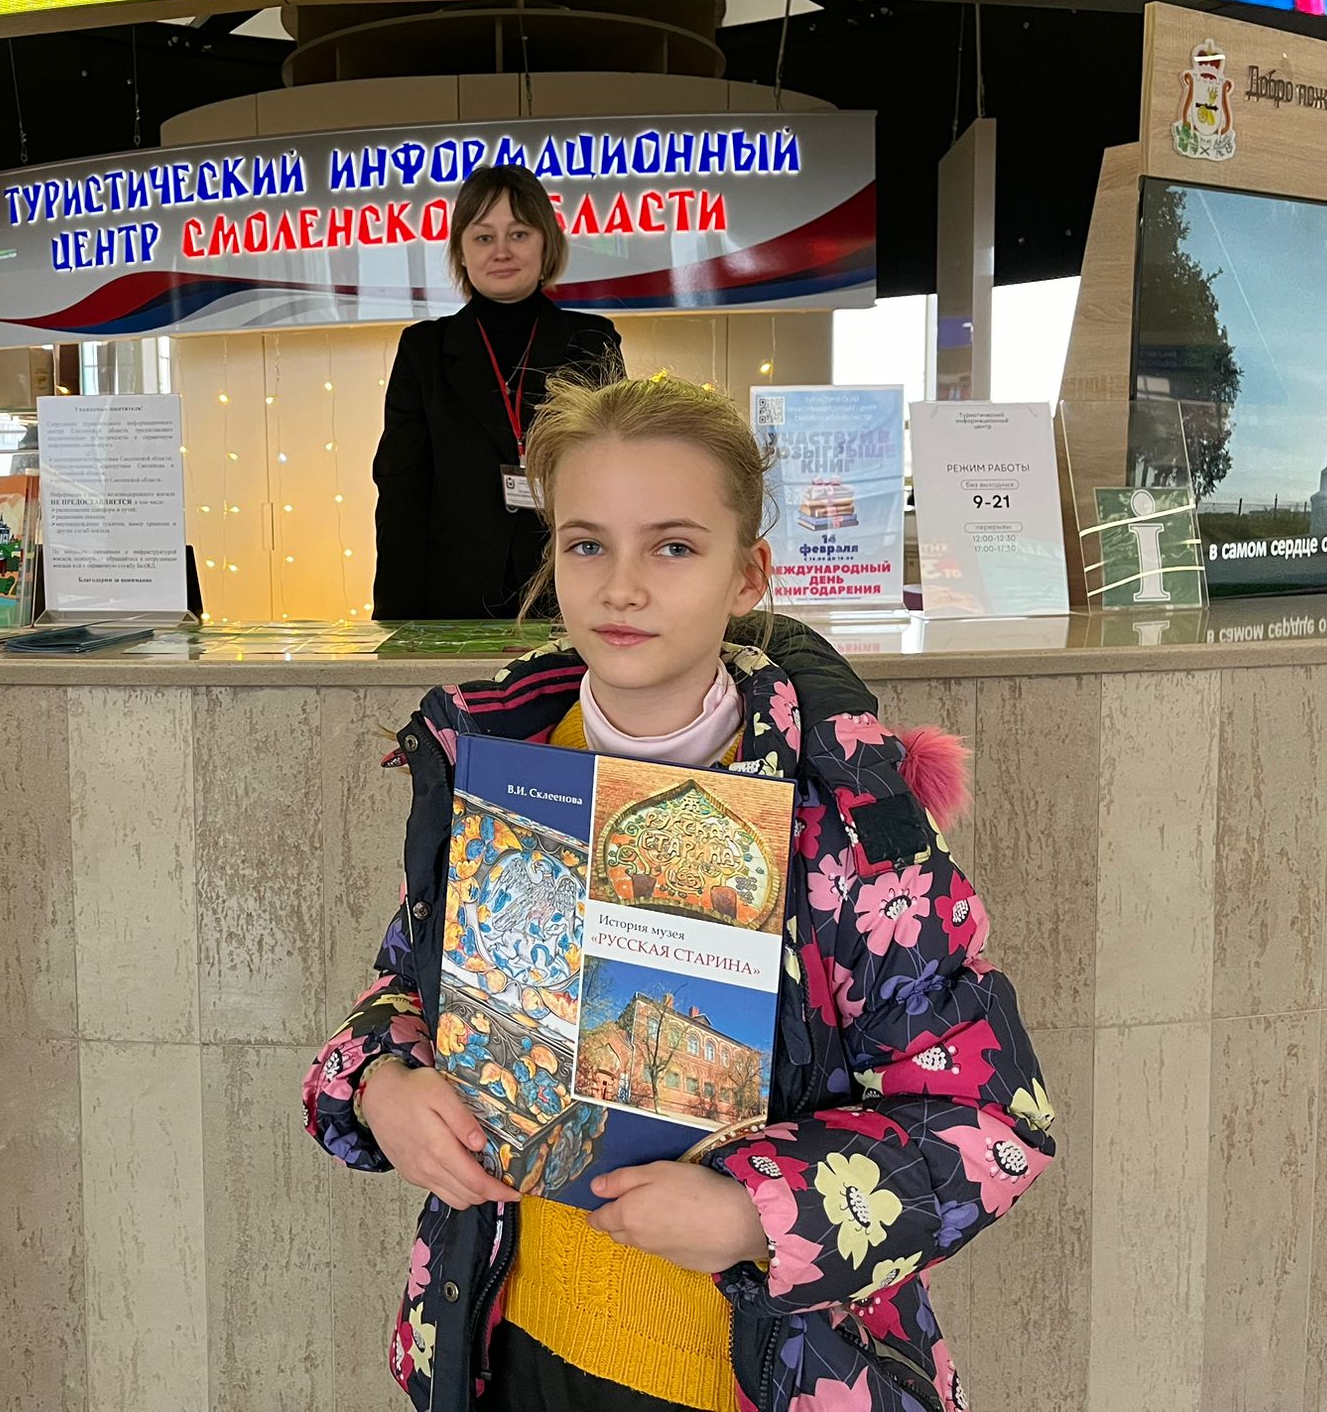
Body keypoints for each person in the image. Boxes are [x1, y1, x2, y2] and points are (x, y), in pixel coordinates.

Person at [306, 375, 1053, 1412]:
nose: (621, 588)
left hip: (752, 1376)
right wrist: (380, 1083)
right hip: (507, 1341)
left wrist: (756, 1214)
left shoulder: (848, 823)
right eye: (586, 544)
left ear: (747, 574)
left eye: (671, 547)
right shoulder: (495, 773)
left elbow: (989, 1123)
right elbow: (407, 986)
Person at [371, 166, 622, 621]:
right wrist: (395, 617)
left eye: (519, 234)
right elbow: (401, 490)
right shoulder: (423, 349)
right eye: (484, 237)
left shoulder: (591, 341)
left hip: (569, 588)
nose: (501, 251)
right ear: (461, 251)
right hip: (452, 597)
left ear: (546, 243)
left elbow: (613, 475)